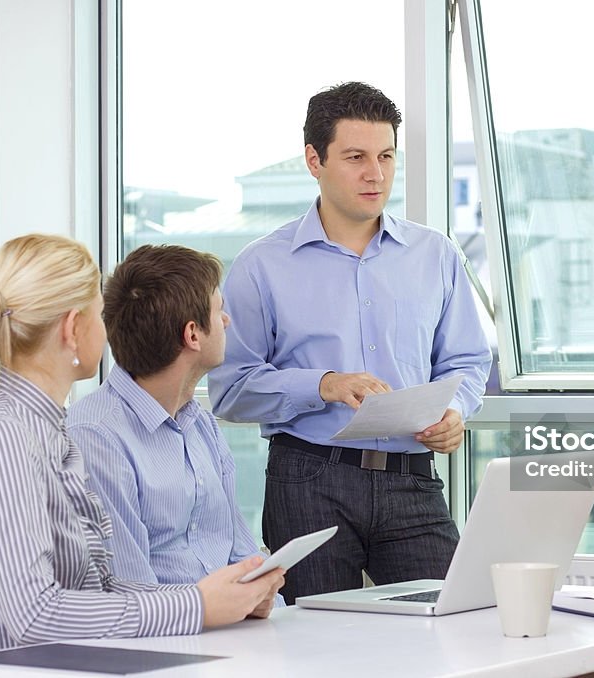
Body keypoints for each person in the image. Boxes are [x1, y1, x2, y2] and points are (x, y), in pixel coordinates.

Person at [0, 234, 284, 653]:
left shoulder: (44, 430)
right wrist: (197, 605)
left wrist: (222, 599)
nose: (112, 327)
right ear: (73, 329)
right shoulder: (6, 437)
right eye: (99, 313)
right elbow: (35, 616)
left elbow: (100, 588)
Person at [208, 81, 492, 602]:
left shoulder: (437, 255)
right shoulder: (261, 265)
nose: (376, 174)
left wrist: (454, 411)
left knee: (457, 624)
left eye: (386, 156)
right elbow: (230, 388)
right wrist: (323, 385)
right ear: (314, 160)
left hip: (413, 478)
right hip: (309, 479)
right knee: (316, 645)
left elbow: (468, 361)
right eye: (356, 156)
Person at [66, 245, 280, 607]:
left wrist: (260, 594)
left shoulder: (201, 424)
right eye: (219, 310)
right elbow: (130, 594)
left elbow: (242, 554)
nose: (226, 321)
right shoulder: (94, 437)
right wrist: (218, 606)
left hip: (230, 634)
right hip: (164, 641)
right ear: (192, 334)